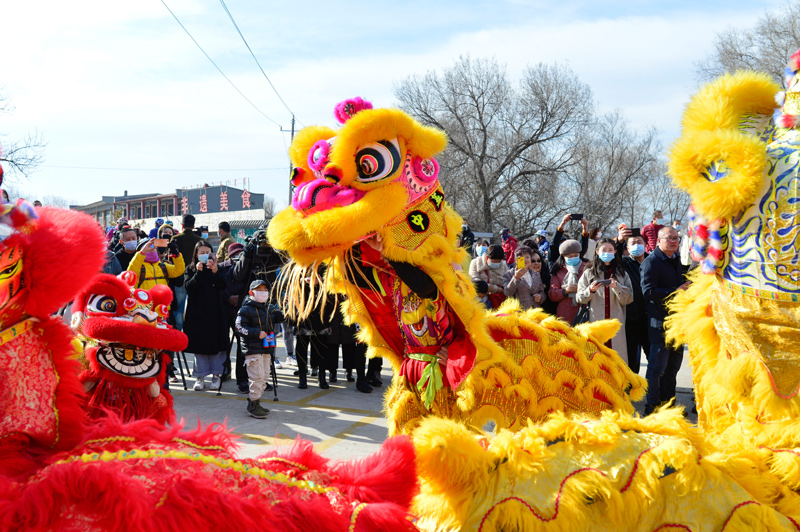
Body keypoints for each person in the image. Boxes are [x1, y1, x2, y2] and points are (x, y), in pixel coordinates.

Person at [641, 226, 690, 415]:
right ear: (658, 241)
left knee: (672, 369)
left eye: (676, 238)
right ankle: (651, 406)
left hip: (677, 322)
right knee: (656, 369)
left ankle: (668, 405)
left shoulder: (676, 259)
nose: (674, 241)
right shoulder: (651, 262)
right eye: (669, 238)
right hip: (660, 324)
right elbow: (648, 292)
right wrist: (675, 291)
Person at [576, 238, 634, 364]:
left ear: (615, 252)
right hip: (595, 323)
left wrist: (616, 287)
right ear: (597, 251)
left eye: (610, 250)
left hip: (616, 324)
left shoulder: (622, 273)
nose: (607, 253)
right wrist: (590, 290)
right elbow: (579, 298)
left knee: (617, 362)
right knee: (597, 361)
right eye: (604, 250)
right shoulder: (588, 273)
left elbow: (629, 299)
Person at [184, 241, 229, 392]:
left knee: (216, 345)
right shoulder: (190, 269)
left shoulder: (217, 268)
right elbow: (188, 286)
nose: (204, 255)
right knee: (199, 346)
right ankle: (200, 376)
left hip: (215, 311)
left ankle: (217, 375)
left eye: (207, 252)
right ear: (196, 254)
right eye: (201, 252)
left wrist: (215, 271)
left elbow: (223, 286)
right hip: (197, 312)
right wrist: (198, 272)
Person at [235, 280, 282, 419]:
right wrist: (256, 333)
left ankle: (255, 402)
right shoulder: (245, 309)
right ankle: (253, 405)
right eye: (259, 289)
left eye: (265, 289)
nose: (263, 292)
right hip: (252, 349)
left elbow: (283, 317)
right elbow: (239, 327)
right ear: (251, 293)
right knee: (256, 377)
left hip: (267, 349)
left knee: (265, 377)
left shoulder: (270, 308)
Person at [616, 227, 650, 374]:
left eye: (639, 242)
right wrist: (619, 241)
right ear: (627, 248)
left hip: (651, 318)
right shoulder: (624, 263)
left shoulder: (652, 261)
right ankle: (631, 387)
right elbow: (612, 257)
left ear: (645, 244)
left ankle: (656, 389)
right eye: (632, 243)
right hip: (631, 318)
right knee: (631, 358)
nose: (636, 245)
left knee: (653, 356)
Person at [172, 214, 202, 330]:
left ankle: (180, 332)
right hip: (195, 278)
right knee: (194, 306)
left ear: (182, 225)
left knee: (179, 308)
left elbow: (171, 259)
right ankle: (192, 332)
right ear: (194, 225)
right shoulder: (200, 240)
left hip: (179, 278)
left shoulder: (175, 239)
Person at [548, 239, 586, 324]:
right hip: (565, 312)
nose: (573, 258)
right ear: (563, 256)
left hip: (585, 309)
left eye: (576, 255)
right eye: (569, 256)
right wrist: (566, 291)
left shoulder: (588, 267)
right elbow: (552, 294)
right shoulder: (557, 270)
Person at [469, 244, 508, 309]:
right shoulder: (475, 263)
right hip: (481, 302)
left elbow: (507, 280)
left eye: (499, 261)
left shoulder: (503, 265)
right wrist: (497, 289)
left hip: (498, 301)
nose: (497, 263)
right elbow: (475, 282)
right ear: (487, 258)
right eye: (494, 261)